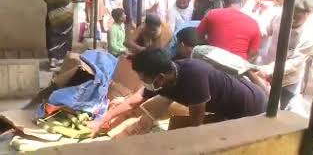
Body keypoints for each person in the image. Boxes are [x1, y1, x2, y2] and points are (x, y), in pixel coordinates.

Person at [86, 49, 267, 137]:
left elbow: (195, 126)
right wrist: (101, 120)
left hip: (251, 106)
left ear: (160, 78)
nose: (143, 83)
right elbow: (134, 101)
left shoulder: (194, 78)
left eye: (144, 79)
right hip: (228, 106)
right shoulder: (167, 76)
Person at [258, 0, 313, 110]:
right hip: (265, 70)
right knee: (260, 106)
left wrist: (269, 69)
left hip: (286, 81)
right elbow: (266, 30)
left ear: (308, 14)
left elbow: (294, 63)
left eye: (297, 17)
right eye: (290, 14)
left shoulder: (309, 35)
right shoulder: (278, 18)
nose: (292, 19)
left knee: (276, 110)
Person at [197, 0, 261, 62]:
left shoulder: (213, 14)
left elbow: (198, 35)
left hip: (213, 62)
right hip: (238, 66)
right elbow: (253, 53)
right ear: (241, 4)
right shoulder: (253, 23)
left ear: (223, 4)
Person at [44, 0, 84, 70]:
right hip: (66, 18)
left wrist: (55, 1)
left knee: (52, 37)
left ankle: (53, 61)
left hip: (52, 16)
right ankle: (63, 61)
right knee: (65, 38)